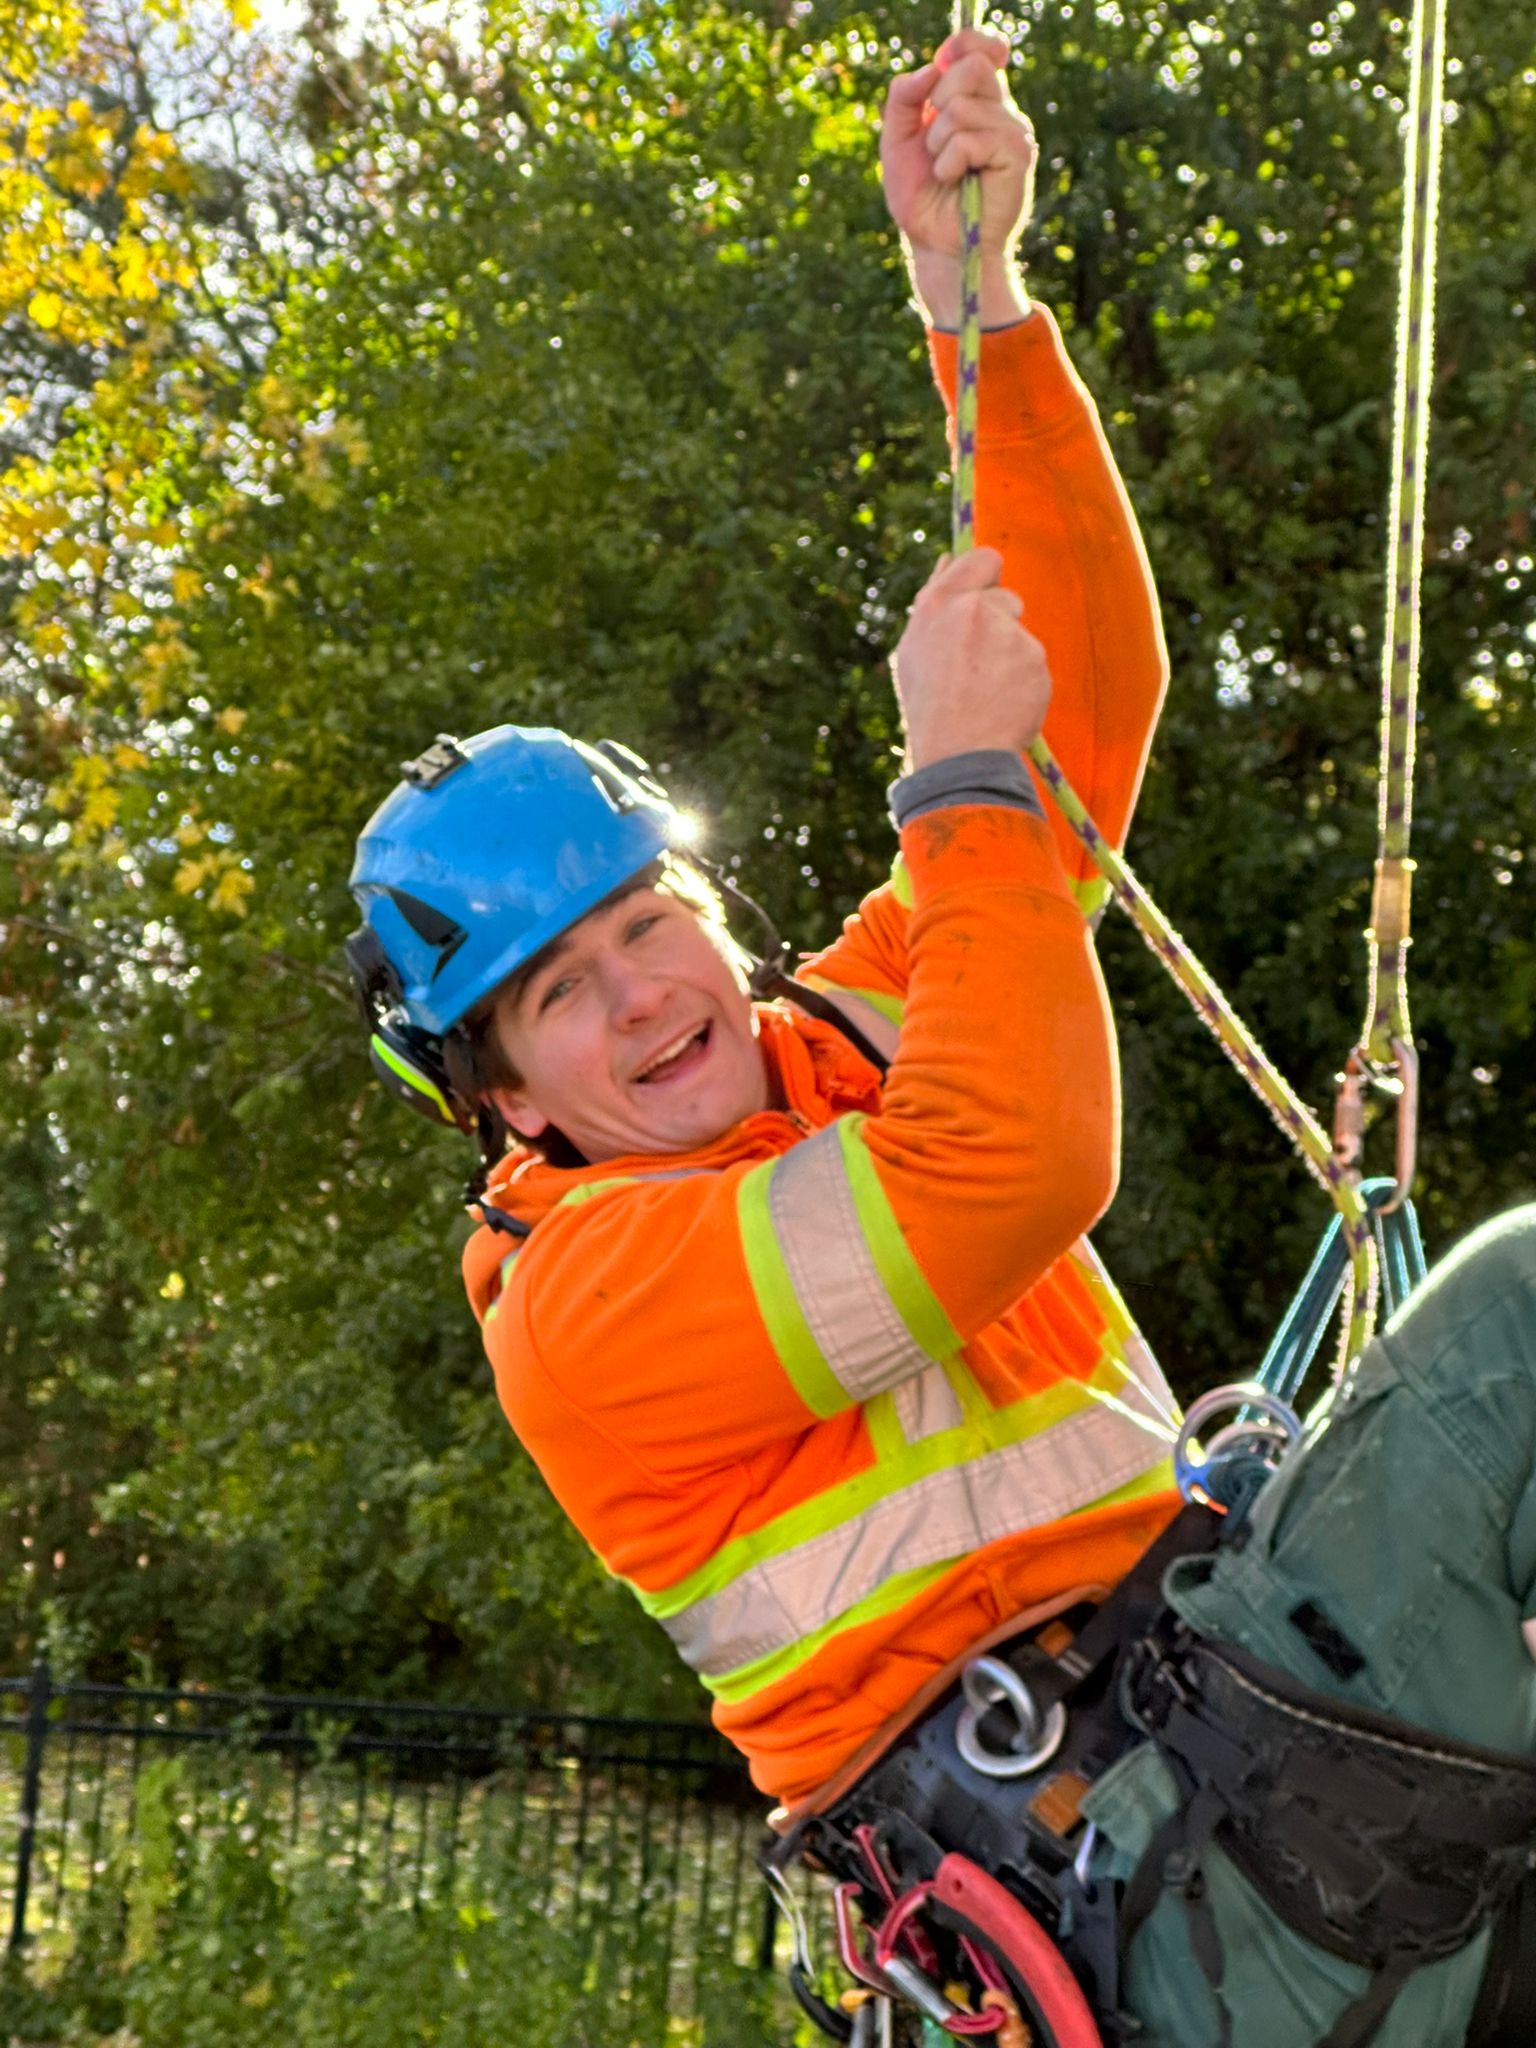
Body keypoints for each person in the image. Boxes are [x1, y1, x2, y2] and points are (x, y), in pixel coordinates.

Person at [346, 29, 1536, 2048]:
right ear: (503, 1096)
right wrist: (956, 784)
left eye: (654, 924)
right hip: (1154, 1886)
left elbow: (1075, 721)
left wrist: (973, 297)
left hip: (1225, 1797)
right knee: (1516, 1315)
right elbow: (1014, 1167)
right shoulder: (588, 1303)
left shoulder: (831, 1049)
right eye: (569, 991)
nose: (652, 994)